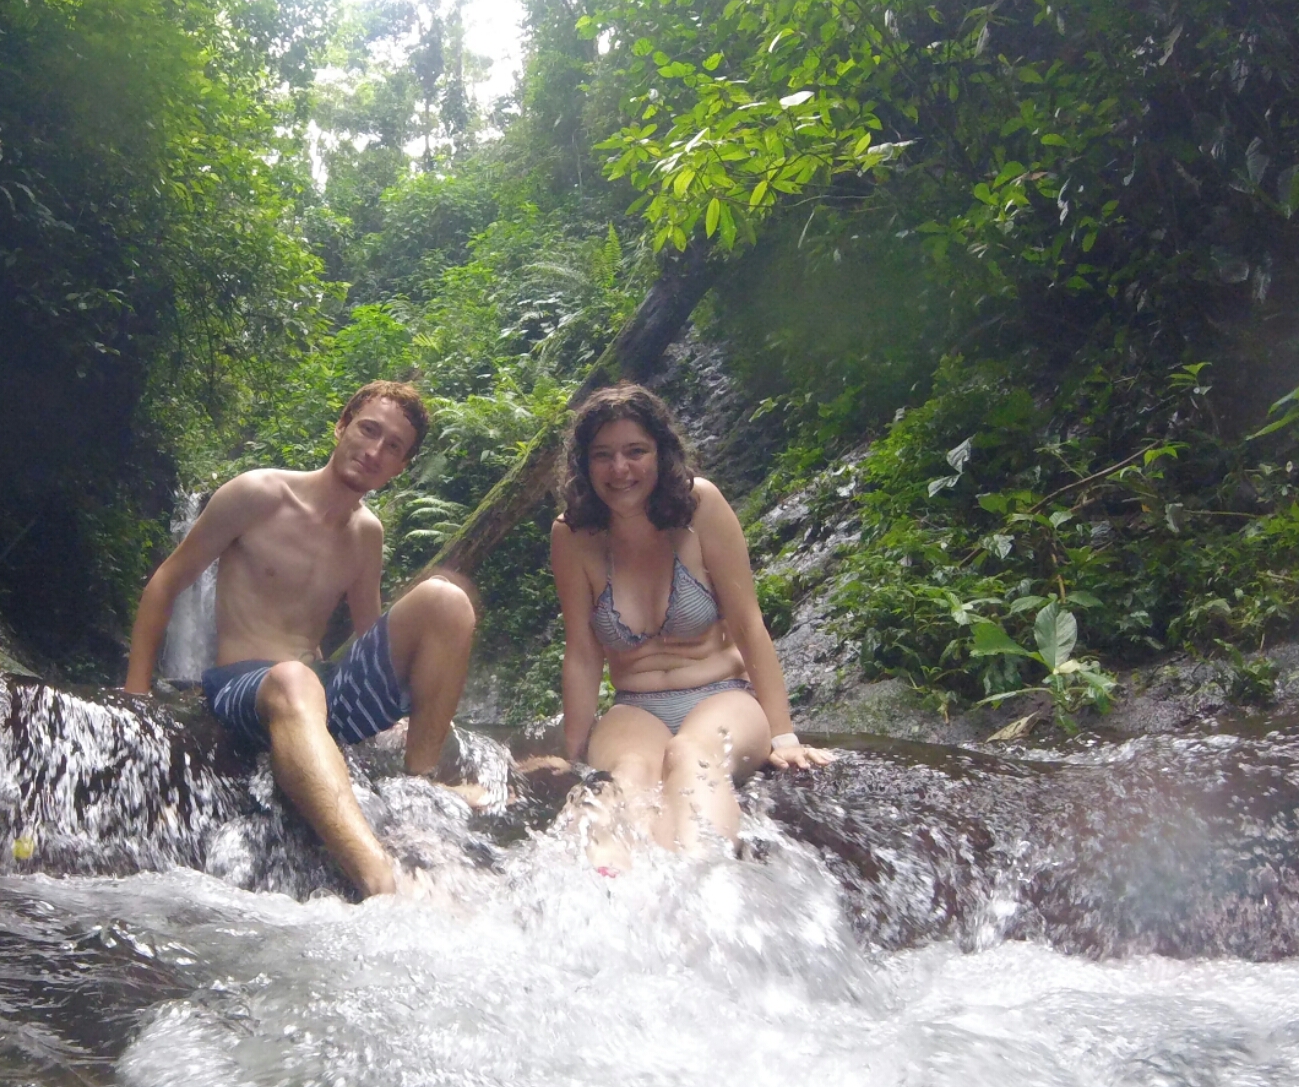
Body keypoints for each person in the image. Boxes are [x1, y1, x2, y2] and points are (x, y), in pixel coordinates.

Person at [124, 380, 478, 899]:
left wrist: (401, 715)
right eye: (368, 430)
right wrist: (135, 700)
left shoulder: (367, 533)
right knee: (294, 679)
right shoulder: (257, 494)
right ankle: (378, 878)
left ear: (401, 467)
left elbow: (370, 637)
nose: (374, 451)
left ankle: (418, 788)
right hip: (246, 685)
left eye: (393, 447)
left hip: (321, 691)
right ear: (342, 426)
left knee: (448, 599)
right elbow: (166, 582)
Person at [548, 383, 833, 853]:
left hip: (723, 695)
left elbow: (748, 624)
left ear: (660, 453)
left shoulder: (701, 506)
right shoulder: (571, 534)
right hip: (635, 707)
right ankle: (612, 880)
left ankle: (700, 874)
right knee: (628, 775)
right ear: (584, 464)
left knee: (690, 755)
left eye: (635, 451)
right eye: (602, 455)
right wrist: (572, 756)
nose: (619, 469)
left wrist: (784, 737)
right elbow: (582, 651)